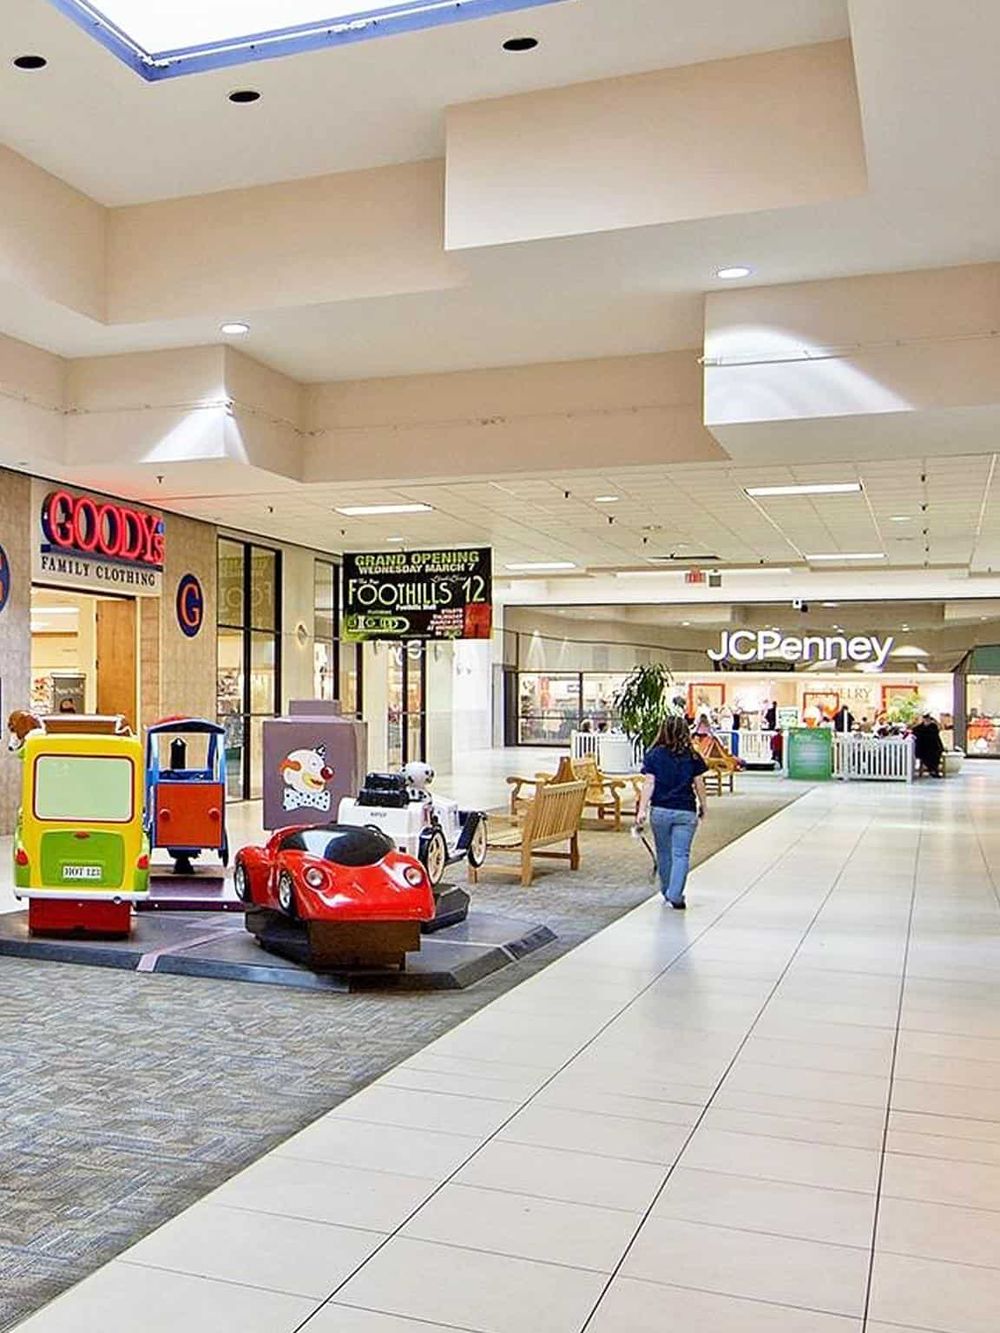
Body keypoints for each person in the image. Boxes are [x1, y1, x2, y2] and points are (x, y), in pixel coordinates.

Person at [636, 715, 708, 910]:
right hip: (685, 811)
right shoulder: (692, 756)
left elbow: (649, 783)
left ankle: (667, 891)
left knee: (664, 853)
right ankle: (675, 895)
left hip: (660, 811)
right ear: (685, 732)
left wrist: (642, 810)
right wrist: (703, 805)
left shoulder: (654, 755)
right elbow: (699, 783)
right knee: (681, 854)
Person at [912, 712, 945, 778]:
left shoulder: (933, 726)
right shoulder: (919, 727)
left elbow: (940, 729)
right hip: (923, 748)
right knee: (927, 754)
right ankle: (933, 770)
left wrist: (935, 721)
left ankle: (933, 770)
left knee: (936, 753)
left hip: (934, 747)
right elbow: (913, 730)